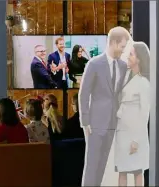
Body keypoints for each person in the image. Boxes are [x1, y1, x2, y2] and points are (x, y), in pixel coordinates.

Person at [79, 26, 131, 186]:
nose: (123, 51)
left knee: (102, 165)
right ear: (114, 43)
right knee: (92, 165)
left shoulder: (123, 66)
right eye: (122, 46)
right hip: (95, 125)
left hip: (113, 123)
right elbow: (84, 93)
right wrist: (85, 121)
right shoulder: (94, 64)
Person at [115, 42, 150, 186]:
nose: (128, 57)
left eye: (131, 54)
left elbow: (144, 113)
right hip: (122, 132)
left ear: (139, 59)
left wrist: (136, 140)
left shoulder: (144, 83)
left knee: (137, 171)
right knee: (122, 170)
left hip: (135, 134)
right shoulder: (126, 78)